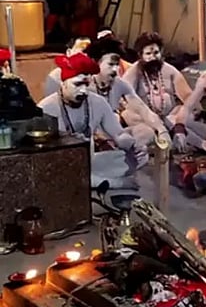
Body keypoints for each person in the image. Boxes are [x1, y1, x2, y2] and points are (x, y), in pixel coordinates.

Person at [38, 53, 148, 189]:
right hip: (61, 166)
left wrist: (133, 145)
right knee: (57, 173)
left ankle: (93, 181)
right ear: (63, 83)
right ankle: (111, 183)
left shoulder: (97, 102)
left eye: (86, 84)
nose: (83, 91)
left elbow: (118, 134)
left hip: (90, 163)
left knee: (138, 157)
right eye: (77, 84)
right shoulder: (46, 108)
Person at [85, 38, 170, 148]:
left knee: (146, 131)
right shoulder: (86, 86)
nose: (115, 69)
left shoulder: (119, 84)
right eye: (110, 64)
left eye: (117, 65)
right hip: (92, 136)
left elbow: (142, 108)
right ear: (97, 63)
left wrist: (162, 130)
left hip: (115, 135)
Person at [122, 32, 196, 152]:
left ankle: (178, 135)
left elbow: (188, 96)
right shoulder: (133, 73)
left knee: (183, 113)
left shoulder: (170, 71)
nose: (153, 57)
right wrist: (157, 124)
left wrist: (184, 118)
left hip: (169, 118)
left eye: (156, 53)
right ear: (140, 55)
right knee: (129, 115)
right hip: (143, 120)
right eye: (148, 54)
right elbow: (131, 101)